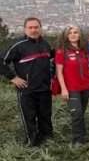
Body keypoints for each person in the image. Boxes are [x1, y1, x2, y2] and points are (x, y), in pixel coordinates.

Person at [0, 17, 53, 147]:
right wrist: (12, 77)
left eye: (36, 27)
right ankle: (32, 143)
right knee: (29, 117)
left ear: (40, 28)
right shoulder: (18, 45)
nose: (34, 30)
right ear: (25, 29)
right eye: (30, 27)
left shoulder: (45, 44)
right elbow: (1, 60)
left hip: (45, 88)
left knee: (45, 115)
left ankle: (47, 138)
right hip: (27, 89)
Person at [55, 26, 89, 144]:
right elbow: (59, 72)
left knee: (81, 113)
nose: (73, 35)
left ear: (80, 35)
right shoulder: (61, 52)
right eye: (70, 33)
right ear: (66, 36)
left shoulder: (85, 50)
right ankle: (77, 142)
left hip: (86, 87)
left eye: (76, 32)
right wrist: (63, 89)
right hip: (71, 88)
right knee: (77, 114)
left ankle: (82, 134)